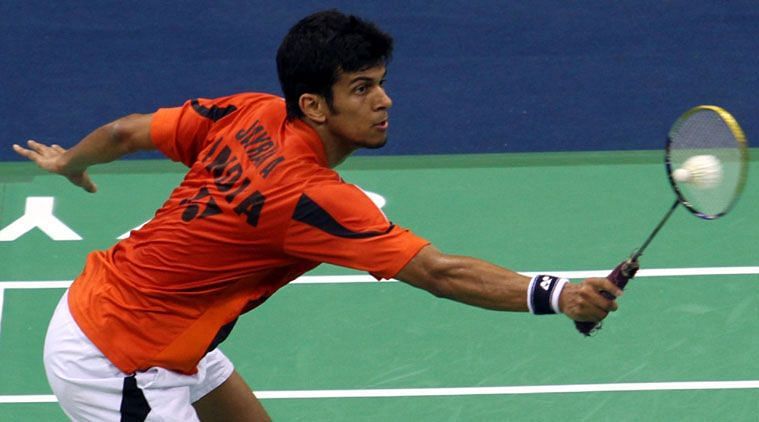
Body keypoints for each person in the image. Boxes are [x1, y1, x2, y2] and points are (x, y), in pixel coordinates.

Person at [13, 10, 622, 422]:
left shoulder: (247, 111)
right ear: (314, 105)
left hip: (132, 312)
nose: (383, 101)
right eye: (361, 89)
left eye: (380, 83)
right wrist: (561, 295)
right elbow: (439, 273)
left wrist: (71, 161)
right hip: (119, 358)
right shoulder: (310, 198)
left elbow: (124, 132)